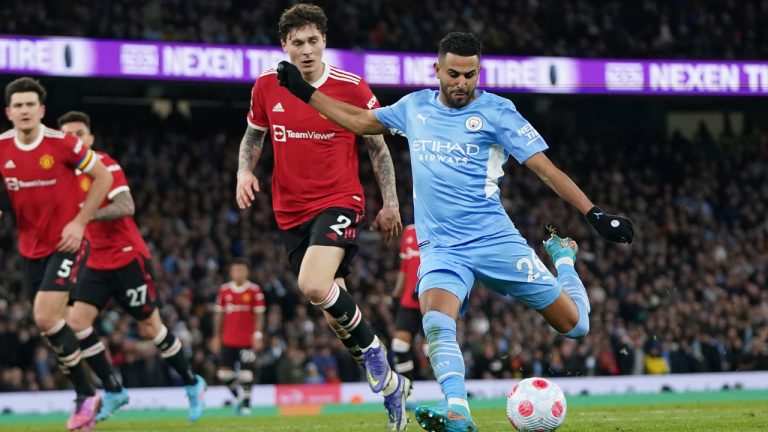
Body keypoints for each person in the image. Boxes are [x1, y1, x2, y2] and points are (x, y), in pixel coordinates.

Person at [276, 32, 635, 432]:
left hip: (494, 240)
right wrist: (305, 92)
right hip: (443, 248)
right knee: (435, 318)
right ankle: (458, 413)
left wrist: (594, 213)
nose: (462, 83)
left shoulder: (499, 112)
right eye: (454, 74)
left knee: (576, 327)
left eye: (470, 75)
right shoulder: (414, 107)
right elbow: (361, 121)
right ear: (437, 70)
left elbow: (545, 169)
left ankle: (564, 261)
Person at [234, 3, 410, 430]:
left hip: (339, 200)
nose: (307, 50)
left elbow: (377, 147)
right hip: (289, 212)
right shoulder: (265, 87)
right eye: (298, 43)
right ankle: (391, 386)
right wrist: (243, 170)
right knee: (334, 312)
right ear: (284, 45)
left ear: (325, 41)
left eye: (314, 41)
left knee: (313, 284)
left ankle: (375, 356)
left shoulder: (351, 87)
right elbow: (253, 137)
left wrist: (391, 203)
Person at [58, 111, 207, 423]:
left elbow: (127, 205)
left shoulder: (105, 165)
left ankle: (193, 383)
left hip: (127, 258)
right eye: (68, 135)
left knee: (150, 327)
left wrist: (83, 218)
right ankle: (114, 390)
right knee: (76, 321)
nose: (75, 140)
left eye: (80, 134)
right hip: (96, 261)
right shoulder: (62, 174)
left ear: (90, 138)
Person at [0, 78, 113, 431]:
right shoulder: (1, 147)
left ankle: (88, 393)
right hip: (29, 248)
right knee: (52, 324)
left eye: (30, 104)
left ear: (41, 110)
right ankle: (95, 392)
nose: (24, 111)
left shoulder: (62, 143)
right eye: (18, 105)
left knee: (45, 317)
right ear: (9, 112)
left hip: (66, 242)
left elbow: (103, 178)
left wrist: (79, 222)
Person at [210, 258, 266, 415]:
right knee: (223, 374)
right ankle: (239, 396)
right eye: (235, 270)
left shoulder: (254, 290)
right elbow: (218, 315)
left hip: (247, 340)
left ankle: (247, 406)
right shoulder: (224, 290)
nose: (238, 273)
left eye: (241, 270)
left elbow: (260, 315)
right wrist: (216, 336)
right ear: (231, 272)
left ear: (247, 272)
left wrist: (258, 335)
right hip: (228, 339)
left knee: (247, 373)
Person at [391, 224, 422, 384]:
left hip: (433, 299)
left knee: (434, 348)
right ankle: (407, 390)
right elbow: (404, 267)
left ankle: (451, 392)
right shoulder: (409, 231)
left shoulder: (441, 225)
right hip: (410, 299)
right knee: (399, 345)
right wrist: (397, 292)